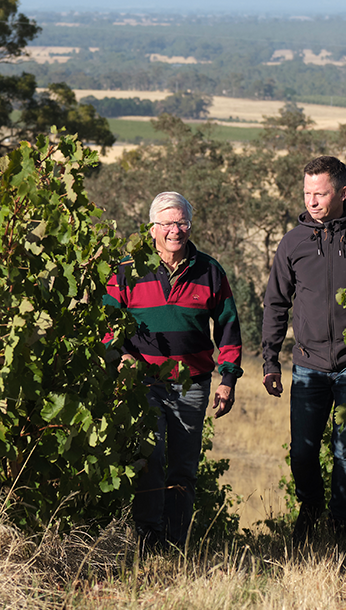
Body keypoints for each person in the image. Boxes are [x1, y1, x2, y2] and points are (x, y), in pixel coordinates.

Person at [261, 156, 346, 548]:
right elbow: (275, 303)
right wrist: (270, 361)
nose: (312, 201)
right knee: (302, 454)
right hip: (307, 365)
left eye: (321, 193)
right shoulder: (293, 242)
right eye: (307, 193)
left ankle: (340, 525)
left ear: (343, 193)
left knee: (345, 451)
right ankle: (310, 509)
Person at [103, 191, 243, 551]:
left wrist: (228, 379)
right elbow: (106, 322)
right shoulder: (126, 269)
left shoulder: (210, 270)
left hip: (192, 384)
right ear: (152, 229)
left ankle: (175, 544)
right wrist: (119, 357)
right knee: (150, 457)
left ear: (189, 226)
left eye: (181, 223)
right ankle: (148, 540)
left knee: (183, 467)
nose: (174, 230)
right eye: (166, 223)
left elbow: (227, 327)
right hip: (142, 383)